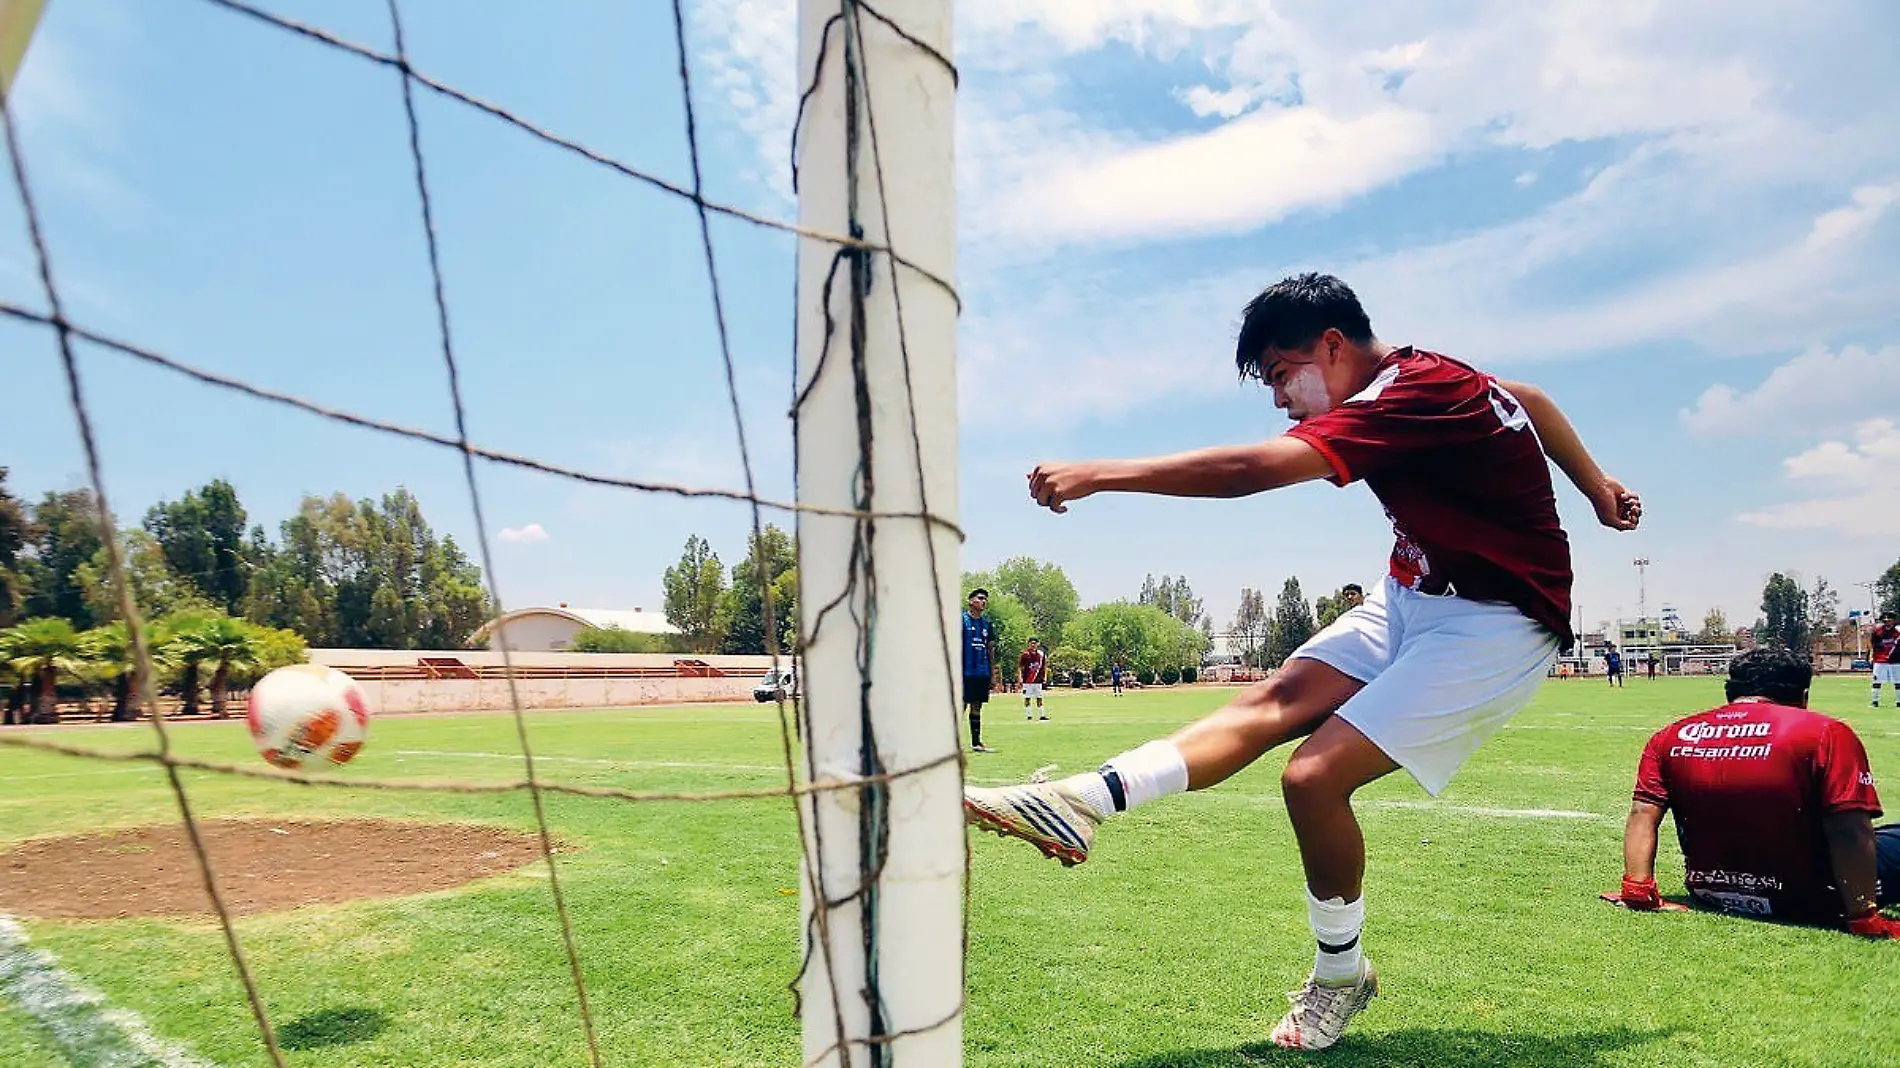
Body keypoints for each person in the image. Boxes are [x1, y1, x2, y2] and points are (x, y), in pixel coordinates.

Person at [962, 273, 1640, 1051]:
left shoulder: (1411, 396)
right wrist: (1596, 489)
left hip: (1498, 619)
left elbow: (1253, 472)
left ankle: (1341, 976)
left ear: (1333, 345)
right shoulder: (1431, 376)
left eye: (1284, 375)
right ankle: (1082, 802)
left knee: (1312, 778)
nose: (1282, 400)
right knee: (1274, 700)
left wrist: (1102, 473)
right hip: (1415, 590)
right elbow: (1532, 399)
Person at [1612, 647, 1900, 938]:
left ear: (1731, 692)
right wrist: (1863, 916)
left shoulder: (1670, 736)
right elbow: (1849, 832)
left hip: (1711, 891)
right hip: (1813, 898)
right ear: (1803, 696)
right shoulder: (1826, 732)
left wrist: (1637, 890)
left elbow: (1642, 813)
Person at [962, 589, 998, 753]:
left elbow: (990, 650)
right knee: (959, 706)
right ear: (970, 601)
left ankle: (976, 742)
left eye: (985, 599)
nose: (983, 602)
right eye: (980, 598)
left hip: (981, 672)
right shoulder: (961, 620)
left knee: (977, 707)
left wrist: (992, 674)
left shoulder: (987, 624)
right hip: (963, 671)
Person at [1872, 613, 1899, 708]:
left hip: (1895, 661)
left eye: (1890, 621)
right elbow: (1874, 645)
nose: (1888, 623)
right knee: (1876, 681)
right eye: (1886, 621)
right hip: (1880, 660)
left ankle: (1898, 702)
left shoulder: (1897, 632)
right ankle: (1875, 701)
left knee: (1898, 682)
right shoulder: (1878, 632)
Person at [1020, 637, 1051, 720]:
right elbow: (1020, 667)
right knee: (1027, 698)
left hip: (1038, 680)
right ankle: (1029, 715)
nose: (1033, 645)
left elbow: (1045, 666)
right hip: (1027, 680)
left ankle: (1042, 715)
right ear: (1029, 644)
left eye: (1035, 643)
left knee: (1039, 698)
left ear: (1038, 644)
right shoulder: (1025, 654)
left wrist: (1045, 677)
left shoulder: (1041, 655)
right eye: (1031, 643)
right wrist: (1020, 678)